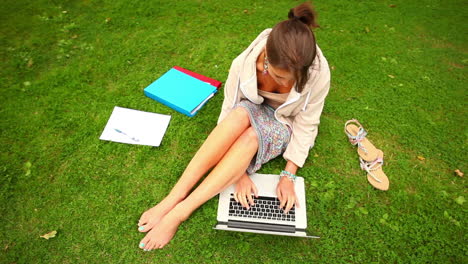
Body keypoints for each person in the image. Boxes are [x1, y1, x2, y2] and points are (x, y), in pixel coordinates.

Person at [137, 2, 330, 251]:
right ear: (267, 62)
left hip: (284, 122)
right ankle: (172, 198)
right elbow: (229, 111)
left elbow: (307, 124)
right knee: (239, 115)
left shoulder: (318, 72)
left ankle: (179, 213)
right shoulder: (244, 64)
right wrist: (238, 174)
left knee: (251, 136)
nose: (289, 83)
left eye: (295, 79)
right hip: (250, 108)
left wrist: (288, 174)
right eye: (283, 77)